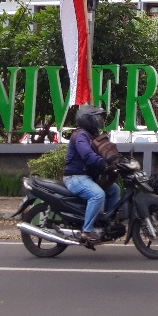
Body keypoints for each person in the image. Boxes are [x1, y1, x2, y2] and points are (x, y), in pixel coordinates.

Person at [63, 104, 121, 243]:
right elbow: (87, 155)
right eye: (96, 117)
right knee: (97, 195)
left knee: (114, 190)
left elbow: (108, 150)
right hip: (75, 177)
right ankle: (87, 231)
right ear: (86, 119)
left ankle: (104, 222)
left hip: (87, 177)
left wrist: (118, 160)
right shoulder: (80, 135)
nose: (99, 120)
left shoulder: (93, 135)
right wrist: (102, 163)